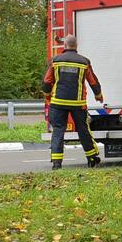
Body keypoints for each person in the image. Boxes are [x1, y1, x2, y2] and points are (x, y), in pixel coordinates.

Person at [42, 35, 103, 170]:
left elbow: (47, 81)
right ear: (76, 45)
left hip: (57, 102)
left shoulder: (55, 61)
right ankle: (92, 158)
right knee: (83, 130)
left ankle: (57, 163)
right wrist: (98, 95)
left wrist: (47, 95)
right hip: (78, 103)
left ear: (65, 46)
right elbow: (93, 81)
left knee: (58, 130)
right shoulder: (84, 62)